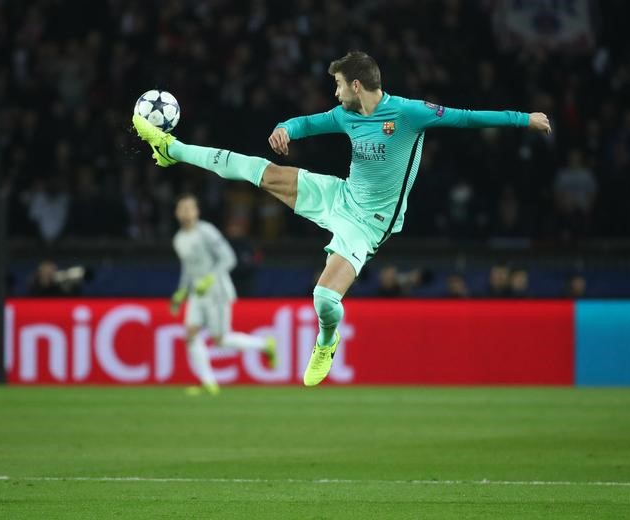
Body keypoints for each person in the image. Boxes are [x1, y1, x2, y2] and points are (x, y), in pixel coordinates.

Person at [133, 50, 552, 386]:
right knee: (258, 170)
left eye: (337, 85)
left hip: (369, 223)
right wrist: (284, 129)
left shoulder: (408, 113)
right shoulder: (345, 115)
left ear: (356, 85)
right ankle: (172, 149)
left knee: (324, 299)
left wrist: (523, 119)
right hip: (341, 195)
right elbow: (306, 123)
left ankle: (327, 341)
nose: (334, 94)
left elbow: (466, 117)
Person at [171, 194, 276, 395]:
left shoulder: (207, 232)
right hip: (196, 294)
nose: (186, 212)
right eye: (182, 208)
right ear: (177, 213)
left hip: (216, 292)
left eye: (189, 208)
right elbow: (187, 268)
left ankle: (264, 345)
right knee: (190, 335)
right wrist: (181, 291)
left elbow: (229, 258)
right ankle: (208, 382)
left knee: (220, 339)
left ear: (196, 211)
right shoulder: (178, 239)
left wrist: (210, 278)